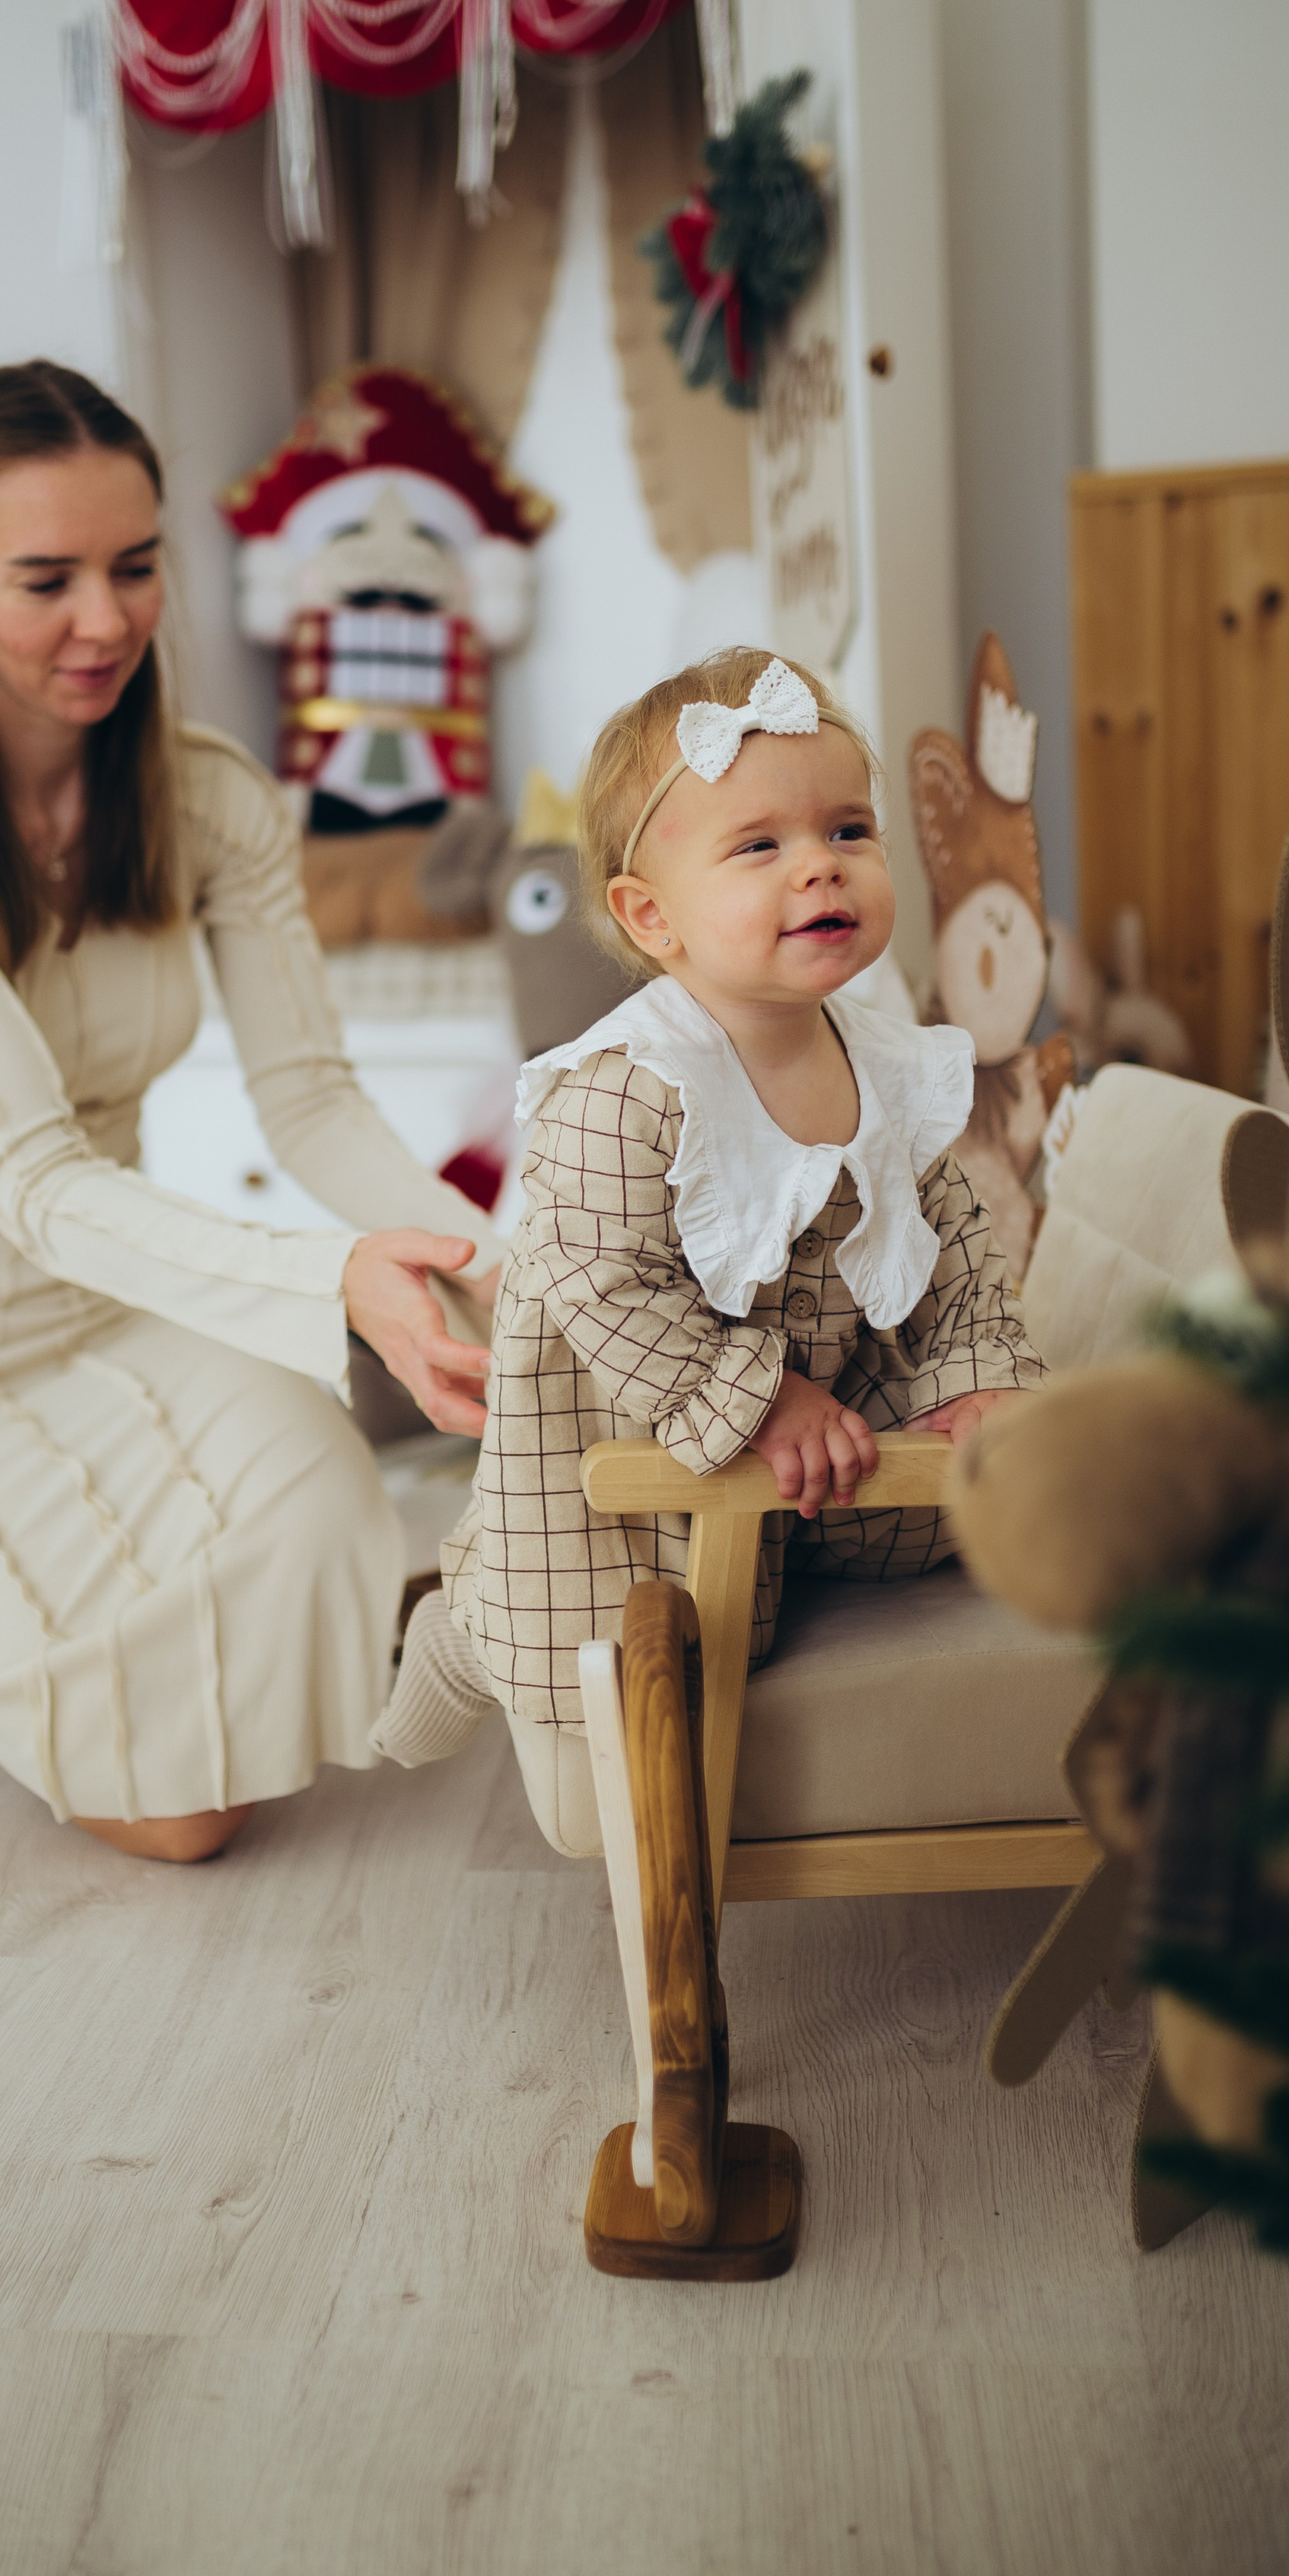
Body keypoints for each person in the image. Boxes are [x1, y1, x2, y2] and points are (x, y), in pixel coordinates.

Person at [0, 361, 502, 1862]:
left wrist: (504, 1258)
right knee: (185, 1821)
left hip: (109, 1316)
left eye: (131, 566)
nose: (103, 621)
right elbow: (32, 1183)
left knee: (328, 1501)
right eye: (44, 579)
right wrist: (334, 1278)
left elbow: (309, 1101)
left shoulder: (220, 802)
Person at [373, 647, 1046, 1855]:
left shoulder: (882, 1060)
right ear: (652, 918)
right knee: (628, 1623)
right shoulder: (627, 1088)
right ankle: (464, 1627)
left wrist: (980, 1374)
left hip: (819, 1399)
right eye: (759, 847)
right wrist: (756, 1399)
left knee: (958, 1495)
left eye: (848, 828)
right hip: (633, 1417)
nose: (820, 865)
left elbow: (951, 1244)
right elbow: (597, 1281)